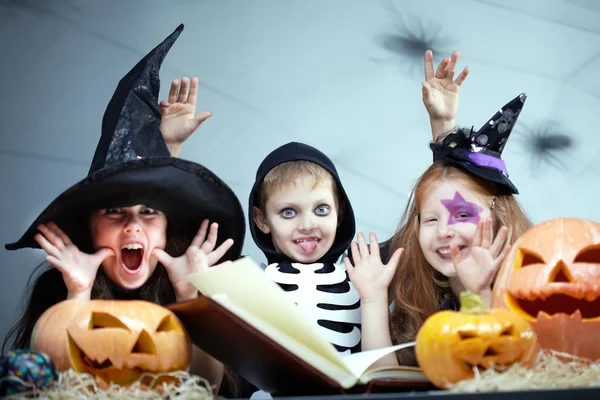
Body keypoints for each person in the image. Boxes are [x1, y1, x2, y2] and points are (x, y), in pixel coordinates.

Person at [2, 24, 246, 392]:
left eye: (148, 213)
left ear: (168, 229)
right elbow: (46, 388)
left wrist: (188, 294)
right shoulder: (59, 287)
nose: (132, 226)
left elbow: (205, 388)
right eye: (115, 212)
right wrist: (78, 295)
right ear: (90, 227)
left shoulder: (189, 284)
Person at [345, 50, 533, 367]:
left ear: (498, 217)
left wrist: (478, 296)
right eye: (430, 220)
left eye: (462, 216)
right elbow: (384, 382)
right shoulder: (425, 283)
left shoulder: (534, 282)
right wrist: (374, 299)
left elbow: (496, 376)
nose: (443, 230)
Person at [248, 142, 362, 354]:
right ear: (261, 219)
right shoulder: (240, 283)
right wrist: (169, 145)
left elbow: (425, 224)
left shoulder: (366, 271)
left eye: (321, 209)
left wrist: (442, 132)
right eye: (288, 212)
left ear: (340, 212)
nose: (308, 225)